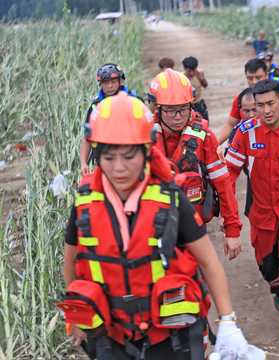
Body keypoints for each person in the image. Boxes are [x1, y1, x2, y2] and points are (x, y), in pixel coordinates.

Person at [60, 92, 251, 359]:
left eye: (129, 156)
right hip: (111, 337)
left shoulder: (171, 199)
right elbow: (71, 264)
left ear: (147, 151)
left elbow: (208, 262)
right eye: (109, 157)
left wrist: (228, 321)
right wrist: (77, 316)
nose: (119, 168)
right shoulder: (84, 203)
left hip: (168, 337)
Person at [226, 79, 279, 347]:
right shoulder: (245, 133)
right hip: (261, 213)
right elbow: (229, 175)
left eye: (270, 103)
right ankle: (277, 286)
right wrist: (230, 219)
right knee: (268, 267)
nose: (265, 110)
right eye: (259, 105)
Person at [148, 69, 242, 260]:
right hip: (152, 226)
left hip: (193, 226)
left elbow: (223, 183)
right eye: (170, 110)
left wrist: (232, 231)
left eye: (183, 109)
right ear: (157, 108)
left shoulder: (204, 138)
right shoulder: (142, 137)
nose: (177, 116)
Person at [217, 58, 279, 154]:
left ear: (266, 75)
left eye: (258, 77)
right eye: (250, 78)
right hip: (246, 148)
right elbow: (230, 124)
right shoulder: (242, 99)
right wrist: (214, 145)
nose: (254, 82)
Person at [79, 63, 141, 176]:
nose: (110, 86)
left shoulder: (134, 102)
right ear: (100, 84)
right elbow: (87, 137)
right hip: (103, 160)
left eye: (113, 82)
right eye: (106, 83)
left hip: (130, 156)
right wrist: (83, 163)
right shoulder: (95, 107)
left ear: (120, 82)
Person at [182, 56, 210, 121]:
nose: (191, 73)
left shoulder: (199, 74)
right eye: (189, 71)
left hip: (199, 105)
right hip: (187, 106)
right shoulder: (181, 78)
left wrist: (202, 78)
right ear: (185, 68)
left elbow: (205, 85)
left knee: (204, 124)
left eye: (193, 70)